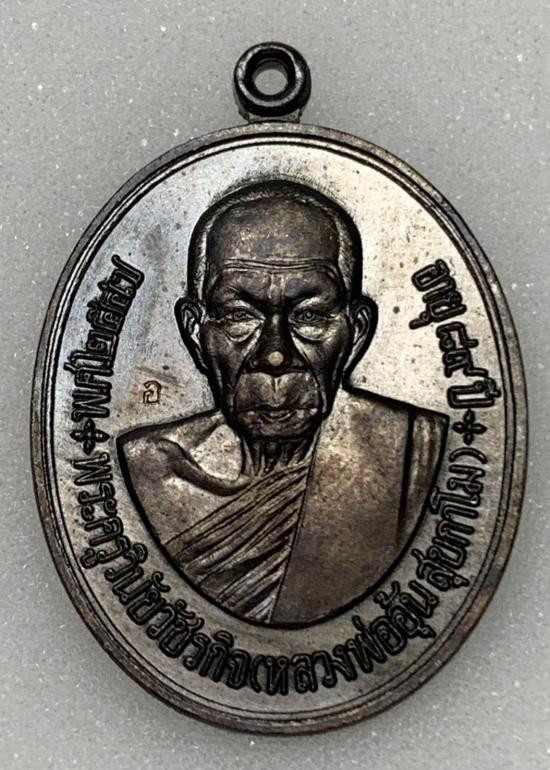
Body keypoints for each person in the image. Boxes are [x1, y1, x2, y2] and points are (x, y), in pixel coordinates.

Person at [118, 179, 448, 627]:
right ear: (195, 333)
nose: (274, 354)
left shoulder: (413, 454)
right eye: (240, 315)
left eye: (309, 316)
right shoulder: (146, 470)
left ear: (356, 333)